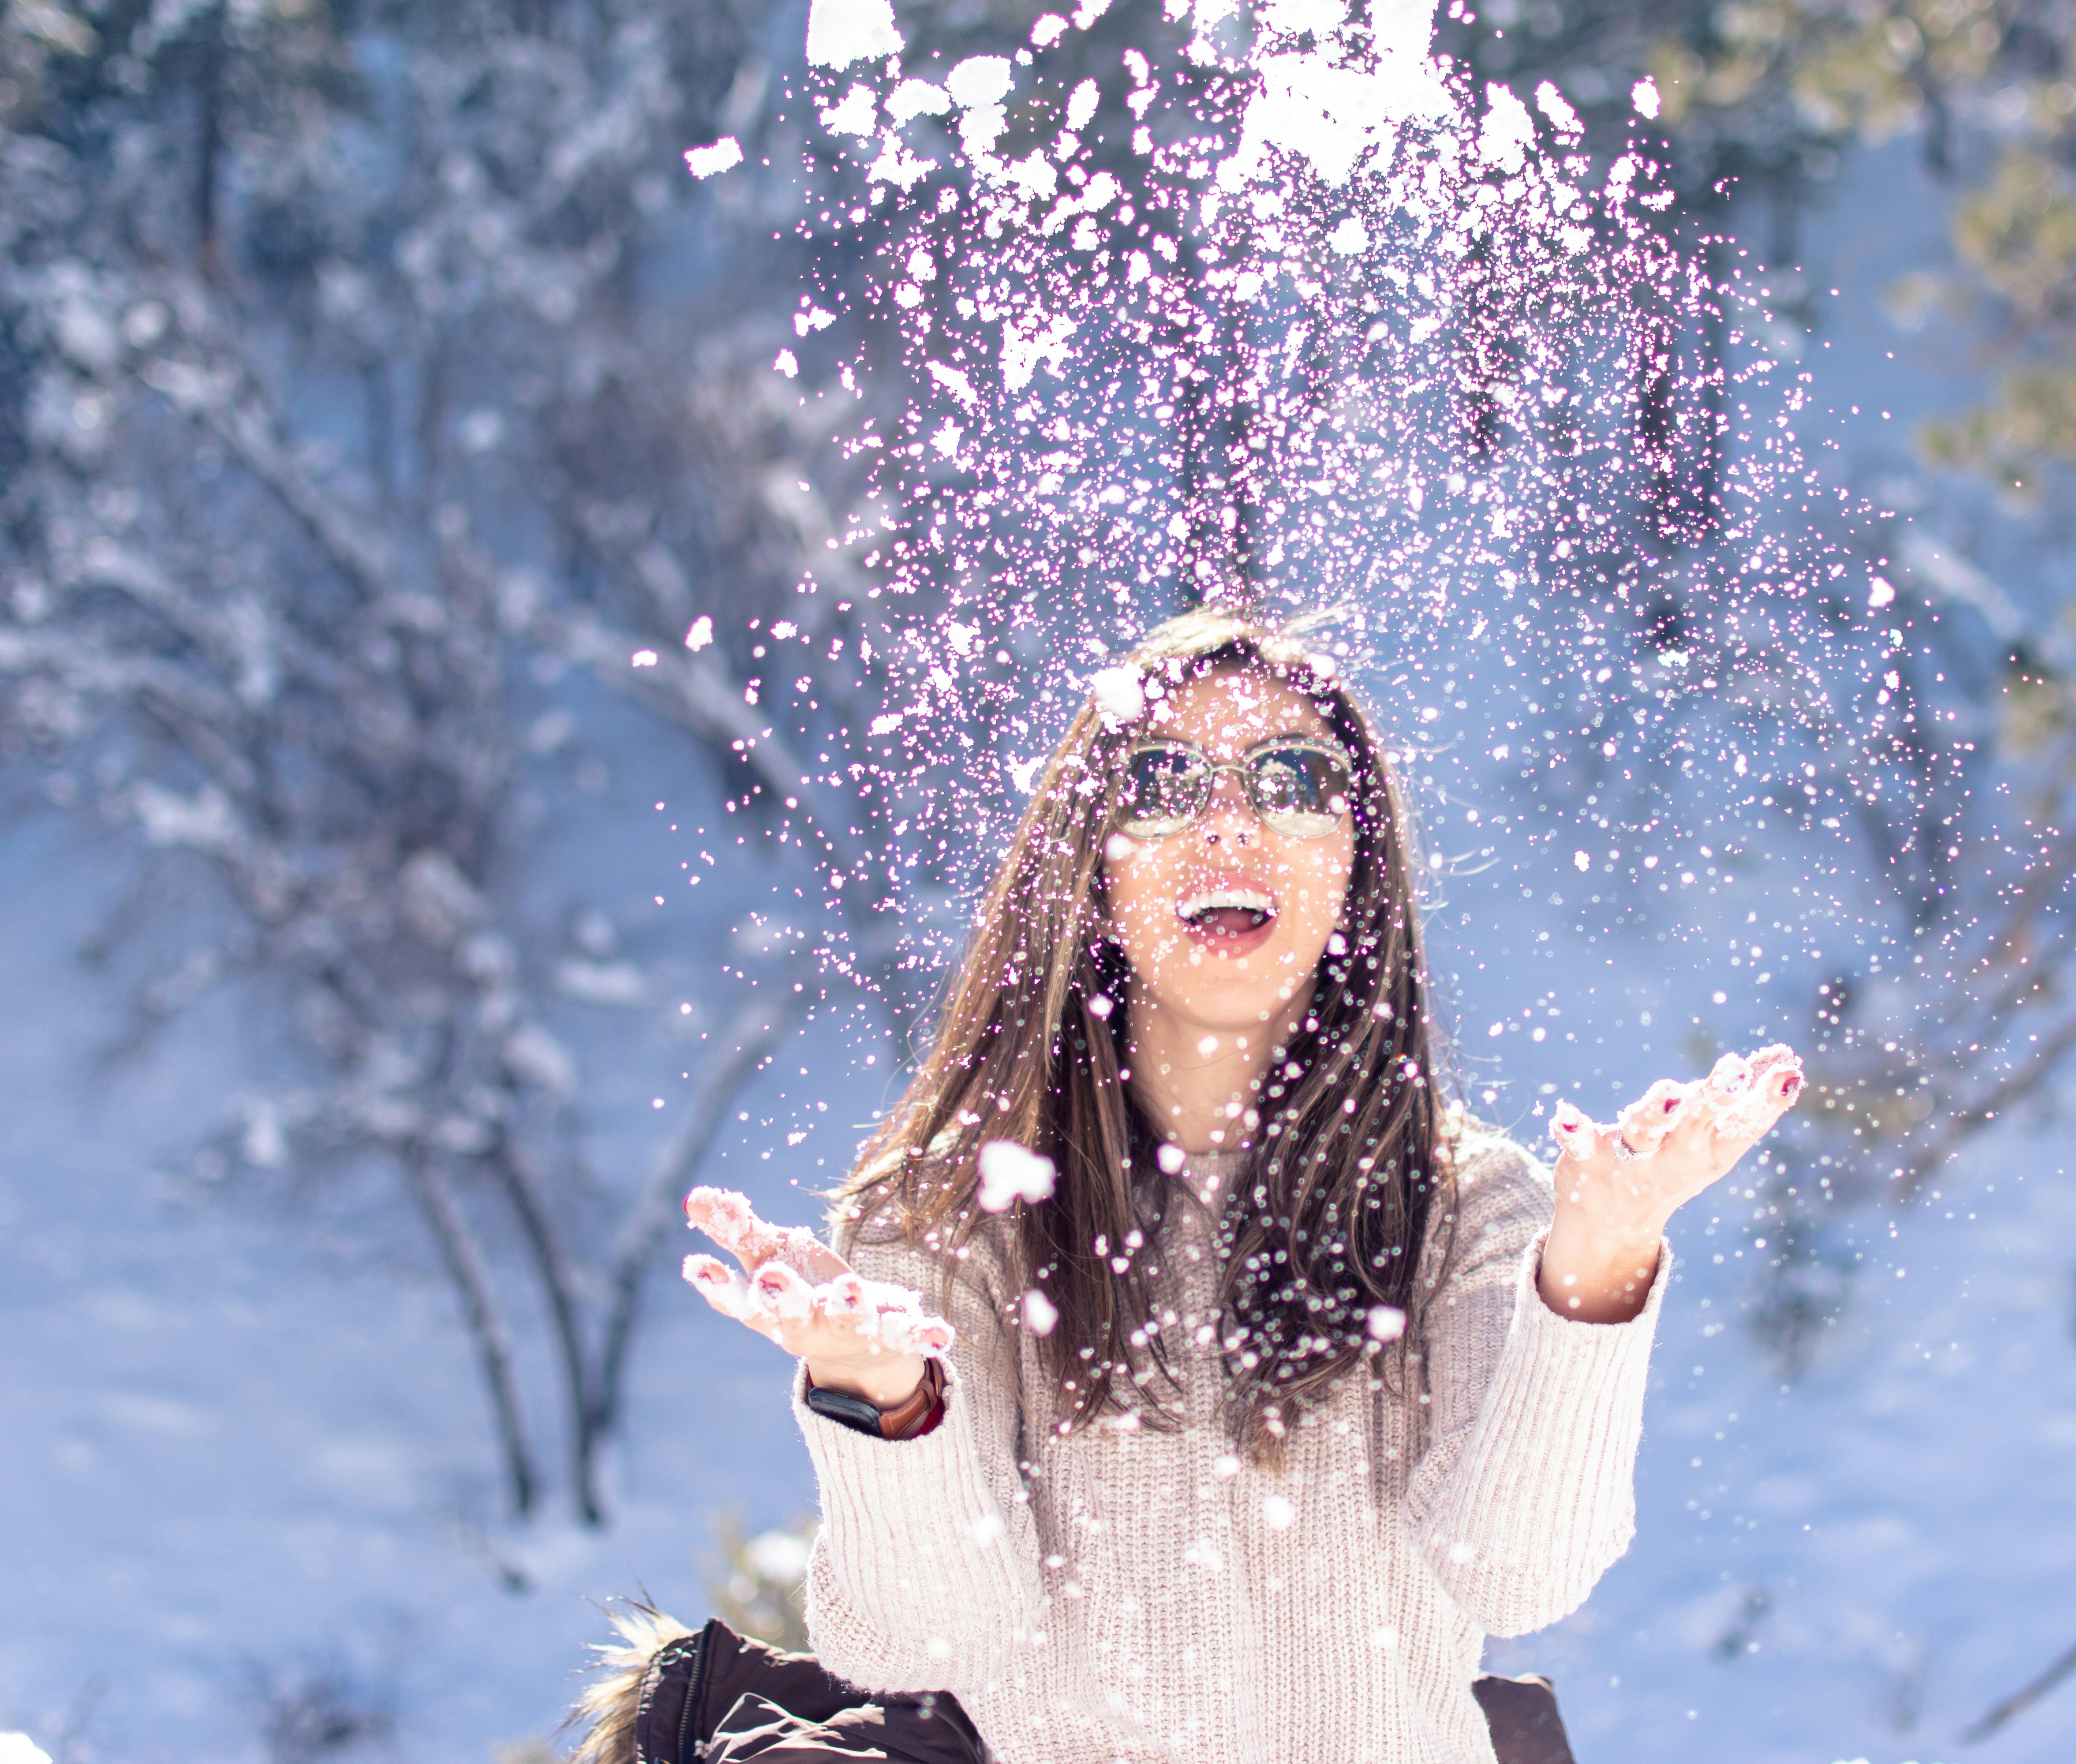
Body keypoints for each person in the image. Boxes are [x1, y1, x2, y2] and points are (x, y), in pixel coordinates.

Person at [594, 607, 1802, 1764]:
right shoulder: (950, 1215)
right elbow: (915, 1643)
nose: (1231, 824)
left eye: (1292, 780)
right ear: (1092, 864)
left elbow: (1521, 1572)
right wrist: (881, 1398)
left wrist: (1596, 1270)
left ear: (1354, 863)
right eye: (1163, 785)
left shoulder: (1469, 1203)